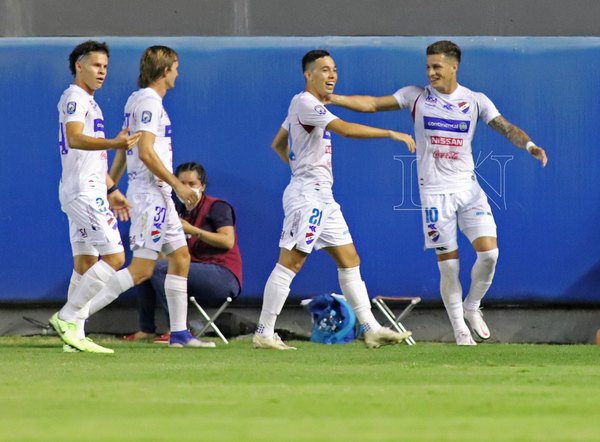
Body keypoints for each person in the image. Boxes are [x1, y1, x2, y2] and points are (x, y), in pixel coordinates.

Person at [329, 40, 548, 345]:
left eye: (437, 67)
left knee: (490, 254)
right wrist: (333, 97)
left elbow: (506, 127)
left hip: (469, 189)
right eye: (428, 67)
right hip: (435, 193)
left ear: (454, 67)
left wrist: (529, 145)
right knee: (450, 266)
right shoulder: (415, 96)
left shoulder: (475, 100)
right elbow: (372, 104)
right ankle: (459, 328)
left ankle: (472, 306)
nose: (430, 72)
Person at [253, 49, 415, 350]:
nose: (332, 75)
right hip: (308, 196)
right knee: (291, 262)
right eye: (325, 70)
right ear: (308, 74)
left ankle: (371, 328)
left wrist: (298, 164)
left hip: (323, 196)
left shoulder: (304, 105)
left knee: (349, 259)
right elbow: (346, 130)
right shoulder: (304, 102)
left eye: (335, 69)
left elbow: (278, 143)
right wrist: (391, 133)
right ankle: (264, 331)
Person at [83, 45, 208, 348]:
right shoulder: (150, 102)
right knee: (141, 270)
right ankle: (74, 315)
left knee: (180, 257)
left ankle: (179, 334)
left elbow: (127, 144)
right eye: (175, 68)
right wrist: (178, 186)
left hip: (156, 193)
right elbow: (146, 152)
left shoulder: (136, 100)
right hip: (152, 195)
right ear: (165, 71)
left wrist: (113, 183)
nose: (178, 73)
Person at [49, 40, 141, 353]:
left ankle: (73, 337)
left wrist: (112, 189)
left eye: (105, 67)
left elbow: (92, 156)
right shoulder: (75, 96)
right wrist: (116, 144)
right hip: (83, 191)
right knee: (115, 258)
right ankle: (67, 317)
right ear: (79, 65)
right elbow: (75, 138)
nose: (101, 72)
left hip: (88, 188)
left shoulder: (91, 101)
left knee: (86, 262)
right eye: (95, 65)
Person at [124, 162, 242, 341]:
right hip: (190, 269)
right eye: (182, 183)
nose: (186, 188)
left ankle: (177, 329)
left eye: (192, 184)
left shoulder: (217, 207)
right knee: (145, 270)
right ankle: (147, 329)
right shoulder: (174, 210)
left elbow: (227, 241)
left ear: (202, 185)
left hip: (223, 275)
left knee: (160, 270)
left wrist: (192, 230)